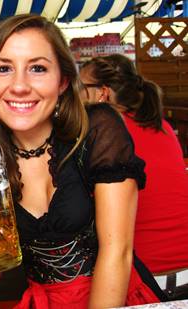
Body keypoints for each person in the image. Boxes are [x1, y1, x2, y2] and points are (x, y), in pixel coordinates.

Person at [0, 14, 167, 308]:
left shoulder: (98, 129)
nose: (20, 86)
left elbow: (118, 253)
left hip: (117, 297)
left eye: (37, 68)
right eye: (3, 69)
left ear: (63, 81)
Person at [80, 54, 188, 300]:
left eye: (81, 86)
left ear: (102, 93)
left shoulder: (103, 137)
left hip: (148, 280)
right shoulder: (163, 127)